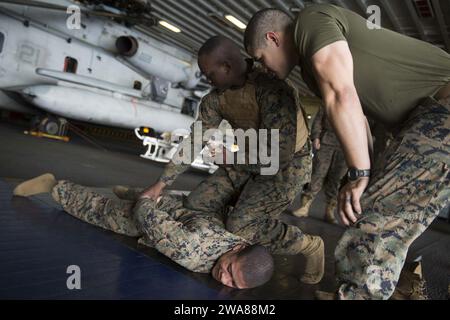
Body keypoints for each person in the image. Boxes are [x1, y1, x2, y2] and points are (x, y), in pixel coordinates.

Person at [244, 4, 450, 299]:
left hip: (442, 109)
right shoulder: (311, 70)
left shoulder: (309, 22)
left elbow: (342, 95)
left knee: (379, 217)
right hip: (433, 115)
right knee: (391, 210)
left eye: (260, 58)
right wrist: (361, 176)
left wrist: (360, 173)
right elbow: (360, 117)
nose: (264, 68)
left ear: (274, 38)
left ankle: (359, 295)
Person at [138, 35, 324, 284]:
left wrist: (233, 157)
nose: (206, 80)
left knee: (241, 225)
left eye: (209, 74)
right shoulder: (216, 98)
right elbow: (196, 140)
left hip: (286, 167)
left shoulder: (272, 89)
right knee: (197, 204)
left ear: (226, 67)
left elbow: (279, 154)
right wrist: (162, 183)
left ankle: (308, 245)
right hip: (245, 161)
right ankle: (224, 240)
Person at [12, 173, 274, 289]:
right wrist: (147, 200)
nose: (224, 279)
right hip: (154, 218)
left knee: (158, 204)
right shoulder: (191, 252)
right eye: (229, 271)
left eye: (233, 283)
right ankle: (55, 186)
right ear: (238, 249)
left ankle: (131, 193)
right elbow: (146, 217)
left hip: (181, 212)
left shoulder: (241, 243)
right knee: (101, 211)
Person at [293, 106, 347, 224]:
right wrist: (316, 137)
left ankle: (329, 211)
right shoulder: (329, 101)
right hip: (326, 142)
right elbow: (319, 119)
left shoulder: (360, 106)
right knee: (317, 173)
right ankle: (304, 207)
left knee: (337, 179)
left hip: (346, 147)